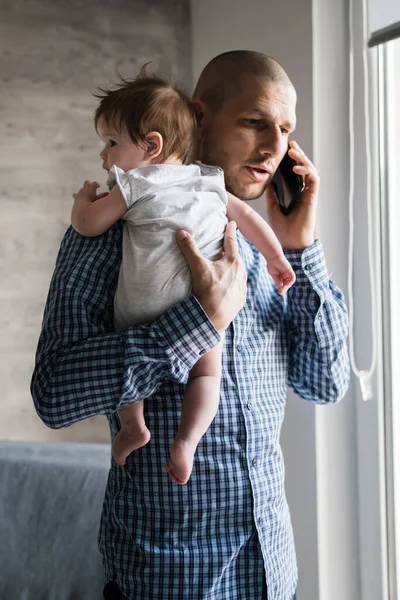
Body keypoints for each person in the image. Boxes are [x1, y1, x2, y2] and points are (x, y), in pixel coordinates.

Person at [31, 51, 350, 600]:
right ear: (198, 120)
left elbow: (325, 382)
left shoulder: (271, 252)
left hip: (273, 575)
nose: (274, 148)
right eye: (255, 123)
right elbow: (54, 394)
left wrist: (300, 251)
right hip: (165, 581)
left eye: (286, 130)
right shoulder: (115, 229)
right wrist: (196, 323)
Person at [71, 71, 295, 484]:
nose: (104, 156)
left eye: (111, 143)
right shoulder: (206, 182)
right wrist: (279, 258)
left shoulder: (133, 184)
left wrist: (83, 201)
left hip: (141, 308)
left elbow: (88, 223)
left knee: (136, 391)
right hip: (196, 320)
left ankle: (133, 425)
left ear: (152, 145)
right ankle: (187, 441)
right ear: (202, 120)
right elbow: (245, 216)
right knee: (207, 375)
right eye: (254, 122)